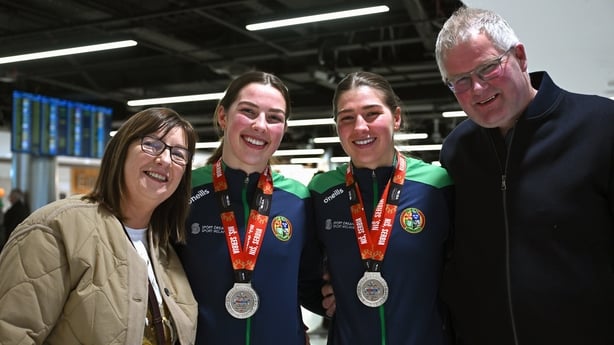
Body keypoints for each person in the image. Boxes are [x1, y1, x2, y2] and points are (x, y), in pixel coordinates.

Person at [434, 7, 614, 345]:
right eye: (459, 81)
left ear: (520, 56)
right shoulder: (457, 151)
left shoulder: (601, 127)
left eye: (487, 68)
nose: (476, 88)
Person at [0, 107, 199, 344]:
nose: (165, 159)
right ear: (121, 150)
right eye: (152, 144)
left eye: (178, 154)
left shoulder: (165, 248)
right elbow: (12, 333)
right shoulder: (57, 228)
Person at [175, 71, 324, 345]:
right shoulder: (183, 191)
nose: (260, 125)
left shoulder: (298, 200)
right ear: (223, 116)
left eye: (274, 117)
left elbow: (310, 283)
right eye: (248, 111)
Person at [308, 71, 454, 345]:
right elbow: (301, 266)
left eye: (372, 113)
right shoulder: (321, 191)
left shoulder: (437, 185)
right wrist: (322, 296)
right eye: (347, 118)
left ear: (396, 117)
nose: (360, 127)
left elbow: (463, 266)